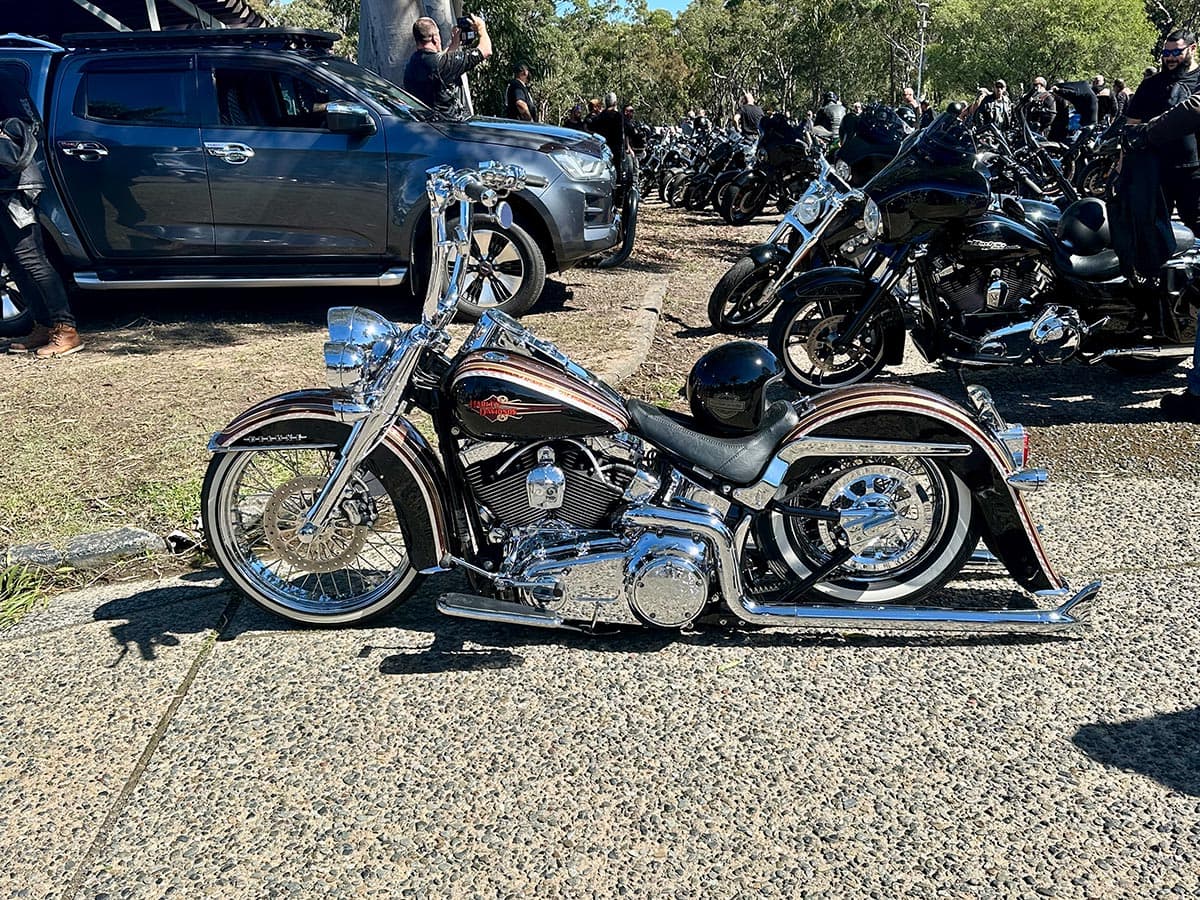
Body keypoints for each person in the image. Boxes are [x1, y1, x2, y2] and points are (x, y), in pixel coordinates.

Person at [0, 68, 81, 357]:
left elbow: (29, 131)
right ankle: (44, 326)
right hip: (6, 186)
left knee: (31, 259)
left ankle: (66, 329)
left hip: (12, 187)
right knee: (14, 262)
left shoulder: (5, 81)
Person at [401, 15, 492, 120]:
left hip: (429, 126)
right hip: (451, 126)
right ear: (435, 38)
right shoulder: (441, 65)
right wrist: (481, 27)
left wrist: (454, 44)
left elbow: (440, 64)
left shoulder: (412, 64)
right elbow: (486, 50)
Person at [589, 92, 629, 163]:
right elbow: (622, 133)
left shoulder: (600, 116)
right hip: (615, 150)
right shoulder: (618, 116)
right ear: (615, 103)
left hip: (603, 149)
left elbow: (592, 130)